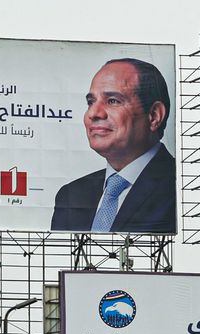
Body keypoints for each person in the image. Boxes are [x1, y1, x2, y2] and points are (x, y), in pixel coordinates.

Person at [51, 58, 176, 234]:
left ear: (154, 116)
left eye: (113, 101)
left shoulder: (180, 189)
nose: (93, 113)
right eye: (90, 102)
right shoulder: (71, 196)